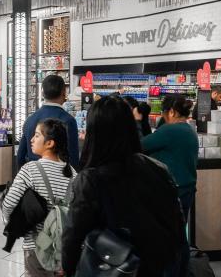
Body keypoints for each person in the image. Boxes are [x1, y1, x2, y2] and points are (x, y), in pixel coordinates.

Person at [62, 96, 185, 277]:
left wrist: (69, 267)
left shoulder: (90, 180)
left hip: (114, 267)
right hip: (158, 266)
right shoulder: (157, 169)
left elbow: (73, 235)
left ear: (93, 132)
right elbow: (177, 224)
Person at [1, 118, 76, 277]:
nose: (32, 139)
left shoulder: (30, 170)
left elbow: (8, 205)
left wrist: (15, 224)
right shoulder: (73, 174)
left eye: (36, 135)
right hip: (65, 249)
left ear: (49, 143)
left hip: (36, 246)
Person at [142, 94, 198, 277]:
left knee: (166, 240)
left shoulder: (171, 131)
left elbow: (141, 145)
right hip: (187, 188)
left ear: (172, 112)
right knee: (180, 237)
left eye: (165, 114)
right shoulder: (188, 130)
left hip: (171, 191)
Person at [17, 75, 79, 169]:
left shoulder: (30, 119)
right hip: (59, 179)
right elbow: (73, 159)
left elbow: (20, 156)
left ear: (42, 93)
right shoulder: (68, 121)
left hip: (33, 177)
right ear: (64, 92)